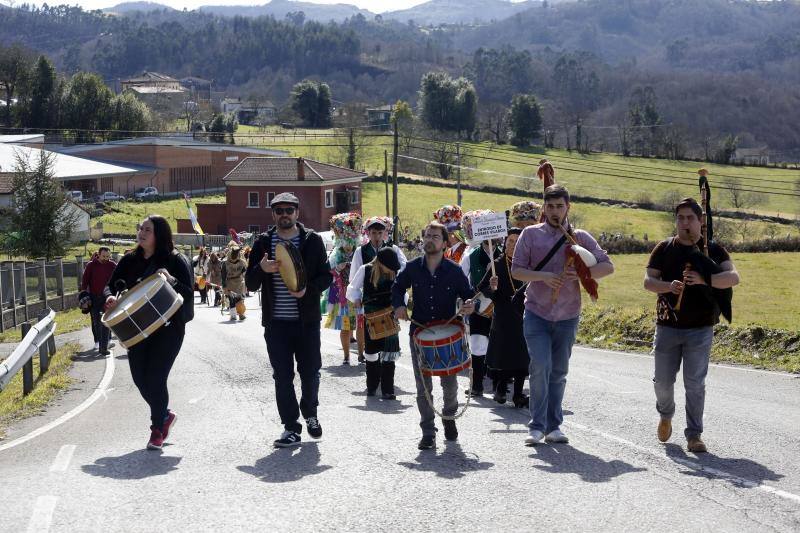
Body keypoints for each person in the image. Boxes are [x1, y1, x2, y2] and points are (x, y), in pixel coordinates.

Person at [511, 184, 614, 446]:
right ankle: (536, 426)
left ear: (568, 207)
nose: (555, 211)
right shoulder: (531, 235)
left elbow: (607, 266)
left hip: (568, 314)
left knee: (558, 372)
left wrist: (582, 273)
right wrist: (544, 276)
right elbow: (517, 271)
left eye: (560, 206)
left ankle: (554, 426)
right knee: (540, 366)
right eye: (551, 206)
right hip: (536, 311)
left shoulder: (580, 237)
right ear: (544, 208)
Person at [644, 197, 739, 453]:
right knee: (662, 382)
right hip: (667, 327)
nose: (684, 223)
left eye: (690, 218)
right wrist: (668, 286)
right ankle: (665, 414)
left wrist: (704, 278)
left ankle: (694, 435)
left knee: (695, 384)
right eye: (680, 218)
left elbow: (733, 278)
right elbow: (648, 282)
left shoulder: (714, 250)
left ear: (700, 221)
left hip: (700, 328)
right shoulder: (663, 249)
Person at [245, 192, 332, 448]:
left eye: (289, 210)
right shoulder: (263, 243)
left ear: (297, 212)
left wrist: (308, 290)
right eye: (279, 210)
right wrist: (261, 269)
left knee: (310, 373)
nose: (284, 214)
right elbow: (249, 284)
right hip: (276, 324)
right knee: (282, 376)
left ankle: (311, 413)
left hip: (306, 322)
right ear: (273, 214)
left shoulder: (312, 241)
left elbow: (325, 277)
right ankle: (291, 427)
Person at [104, 215, 194, 450]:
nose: (141, 232)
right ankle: (164, 415)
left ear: (159, 235)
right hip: (136, 331)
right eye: (140, 228)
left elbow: (188, 293)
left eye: (148, 229)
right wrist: (110, 297)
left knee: (155, 377)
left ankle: (156, 430)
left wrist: (171, 280)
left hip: (168, 328)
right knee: (140, 379)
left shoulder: (175, 260)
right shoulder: (129, 261)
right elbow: (110, 285)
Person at [392, 221, 475, 450]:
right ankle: (428, 431)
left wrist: (469, 306)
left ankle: (449, 418)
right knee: (423, 389)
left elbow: (469, 297)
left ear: (445, 242)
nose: (429, 239)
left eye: (435, 236)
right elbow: (397, 288)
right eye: (427, 236)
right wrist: (399, 306)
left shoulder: (455, 270)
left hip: (448, 334)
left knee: (449, 386)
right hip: (419, 333)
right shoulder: (411, 267)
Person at [478, 228, 530, 408]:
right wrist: (492, 288)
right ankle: (500, 389)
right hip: (504, 313)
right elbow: (482, 287)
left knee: (523, 354)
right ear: (505, 242)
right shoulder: (497, 264)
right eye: (510, 241)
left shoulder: (529, 264)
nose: (513, 244)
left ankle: (517, 394)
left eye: (517, 241)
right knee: (505, 353)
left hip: (524, 313)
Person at [349, 216, 408, 362]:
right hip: (369, 298)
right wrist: (356, 297)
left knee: (389, 330)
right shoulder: (360, 251)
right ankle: (366, 355)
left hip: (389, 297)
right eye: (374, 233)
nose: (377, 237)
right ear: (368, 234)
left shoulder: (393, 249)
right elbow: (354, 276)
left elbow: (404, 267)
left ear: (385, 234)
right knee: (368, 329)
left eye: (380, 233)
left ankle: (388, 360)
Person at [347, 248, 402, 399]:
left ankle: (388, 390)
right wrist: (356, 299)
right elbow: (352, 288)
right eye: (389, 266)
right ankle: (371, 386)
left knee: (389, 355)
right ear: (380, 262)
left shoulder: (394, 272)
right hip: (371, 317)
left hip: (390, 317)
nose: (391, 269)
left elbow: (401, 292)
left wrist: (400, 307)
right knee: (371, 354)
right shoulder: (366, 269)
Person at [459, 238, 500, 397]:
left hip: (500, 307)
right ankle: (476, 385)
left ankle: (499, 387)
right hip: (478, 306)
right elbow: (461, 279)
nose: (490, 239)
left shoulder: (504, 255)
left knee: (498, 345)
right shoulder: (471, 256)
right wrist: (467, 298)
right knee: (477, 345)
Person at [325, 212, 363, 365]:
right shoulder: (336, 254)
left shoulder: (360, 252)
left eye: (351, 242)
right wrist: (337, 270)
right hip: (343, 296)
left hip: (359, 295)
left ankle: (361, 355)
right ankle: (347, 356)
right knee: (346, 327)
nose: (348, 246)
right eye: (345, 242)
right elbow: (329, 273)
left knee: (361, 325)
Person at [81, 246, 116, 355]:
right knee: (96, 321)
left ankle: (104, 346)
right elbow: (85, 280)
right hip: (94, 297)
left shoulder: (113, 265)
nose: (106, 258)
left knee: (106, 320)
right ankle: (98, 342)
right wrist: (83, 294)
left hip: (108, 297)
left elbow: (120, 276)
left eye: (107, 256)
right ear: (98, 255)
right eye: (103, 256)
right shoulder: (91, 265)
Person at [222, 246, 248, 321]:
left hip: (239, 282)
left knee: (239, 299)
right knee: (231, 299)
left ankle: (241, 314)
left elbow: (244, 270)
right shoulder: (225, 263)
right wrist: (224, 285)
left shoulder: (242, 262)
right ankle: (233, 315)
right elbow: (223, 274)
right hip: (230, 282)